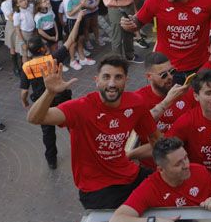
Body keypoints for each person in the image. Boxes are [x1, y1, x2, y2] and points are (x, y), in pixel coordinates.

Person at [25, 57, 157, 209]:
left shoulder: (136, 103)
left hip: (129, 175)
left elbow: (157, 140)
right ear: (96, 80)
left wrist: (165, 166)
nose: (112, 84)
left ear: (126, 80)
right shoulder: (80, 108)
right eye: (106, 77)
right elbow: (34, 118)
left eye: (118, 77)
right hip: (97, 189)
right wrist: (49, 93)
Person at [106, 137, 211, 222]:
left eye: (186, 158)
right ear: (161, 169)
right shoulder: (150, 187)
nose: (186, 165)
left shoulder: (199, 171)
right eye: (178, 163)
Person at [19, 13, 84, 166]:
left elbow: (24, 92)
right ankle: (82, 150)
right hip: (61, 98)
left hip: (43, 103)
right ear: (43, 49)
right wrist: (78, 20)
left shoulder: (26, 67)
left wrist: (25, 103)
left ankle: (52, 161)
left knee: (48, 133)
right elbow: (70, 41)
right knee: (72, 125)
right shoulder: (52, 58)